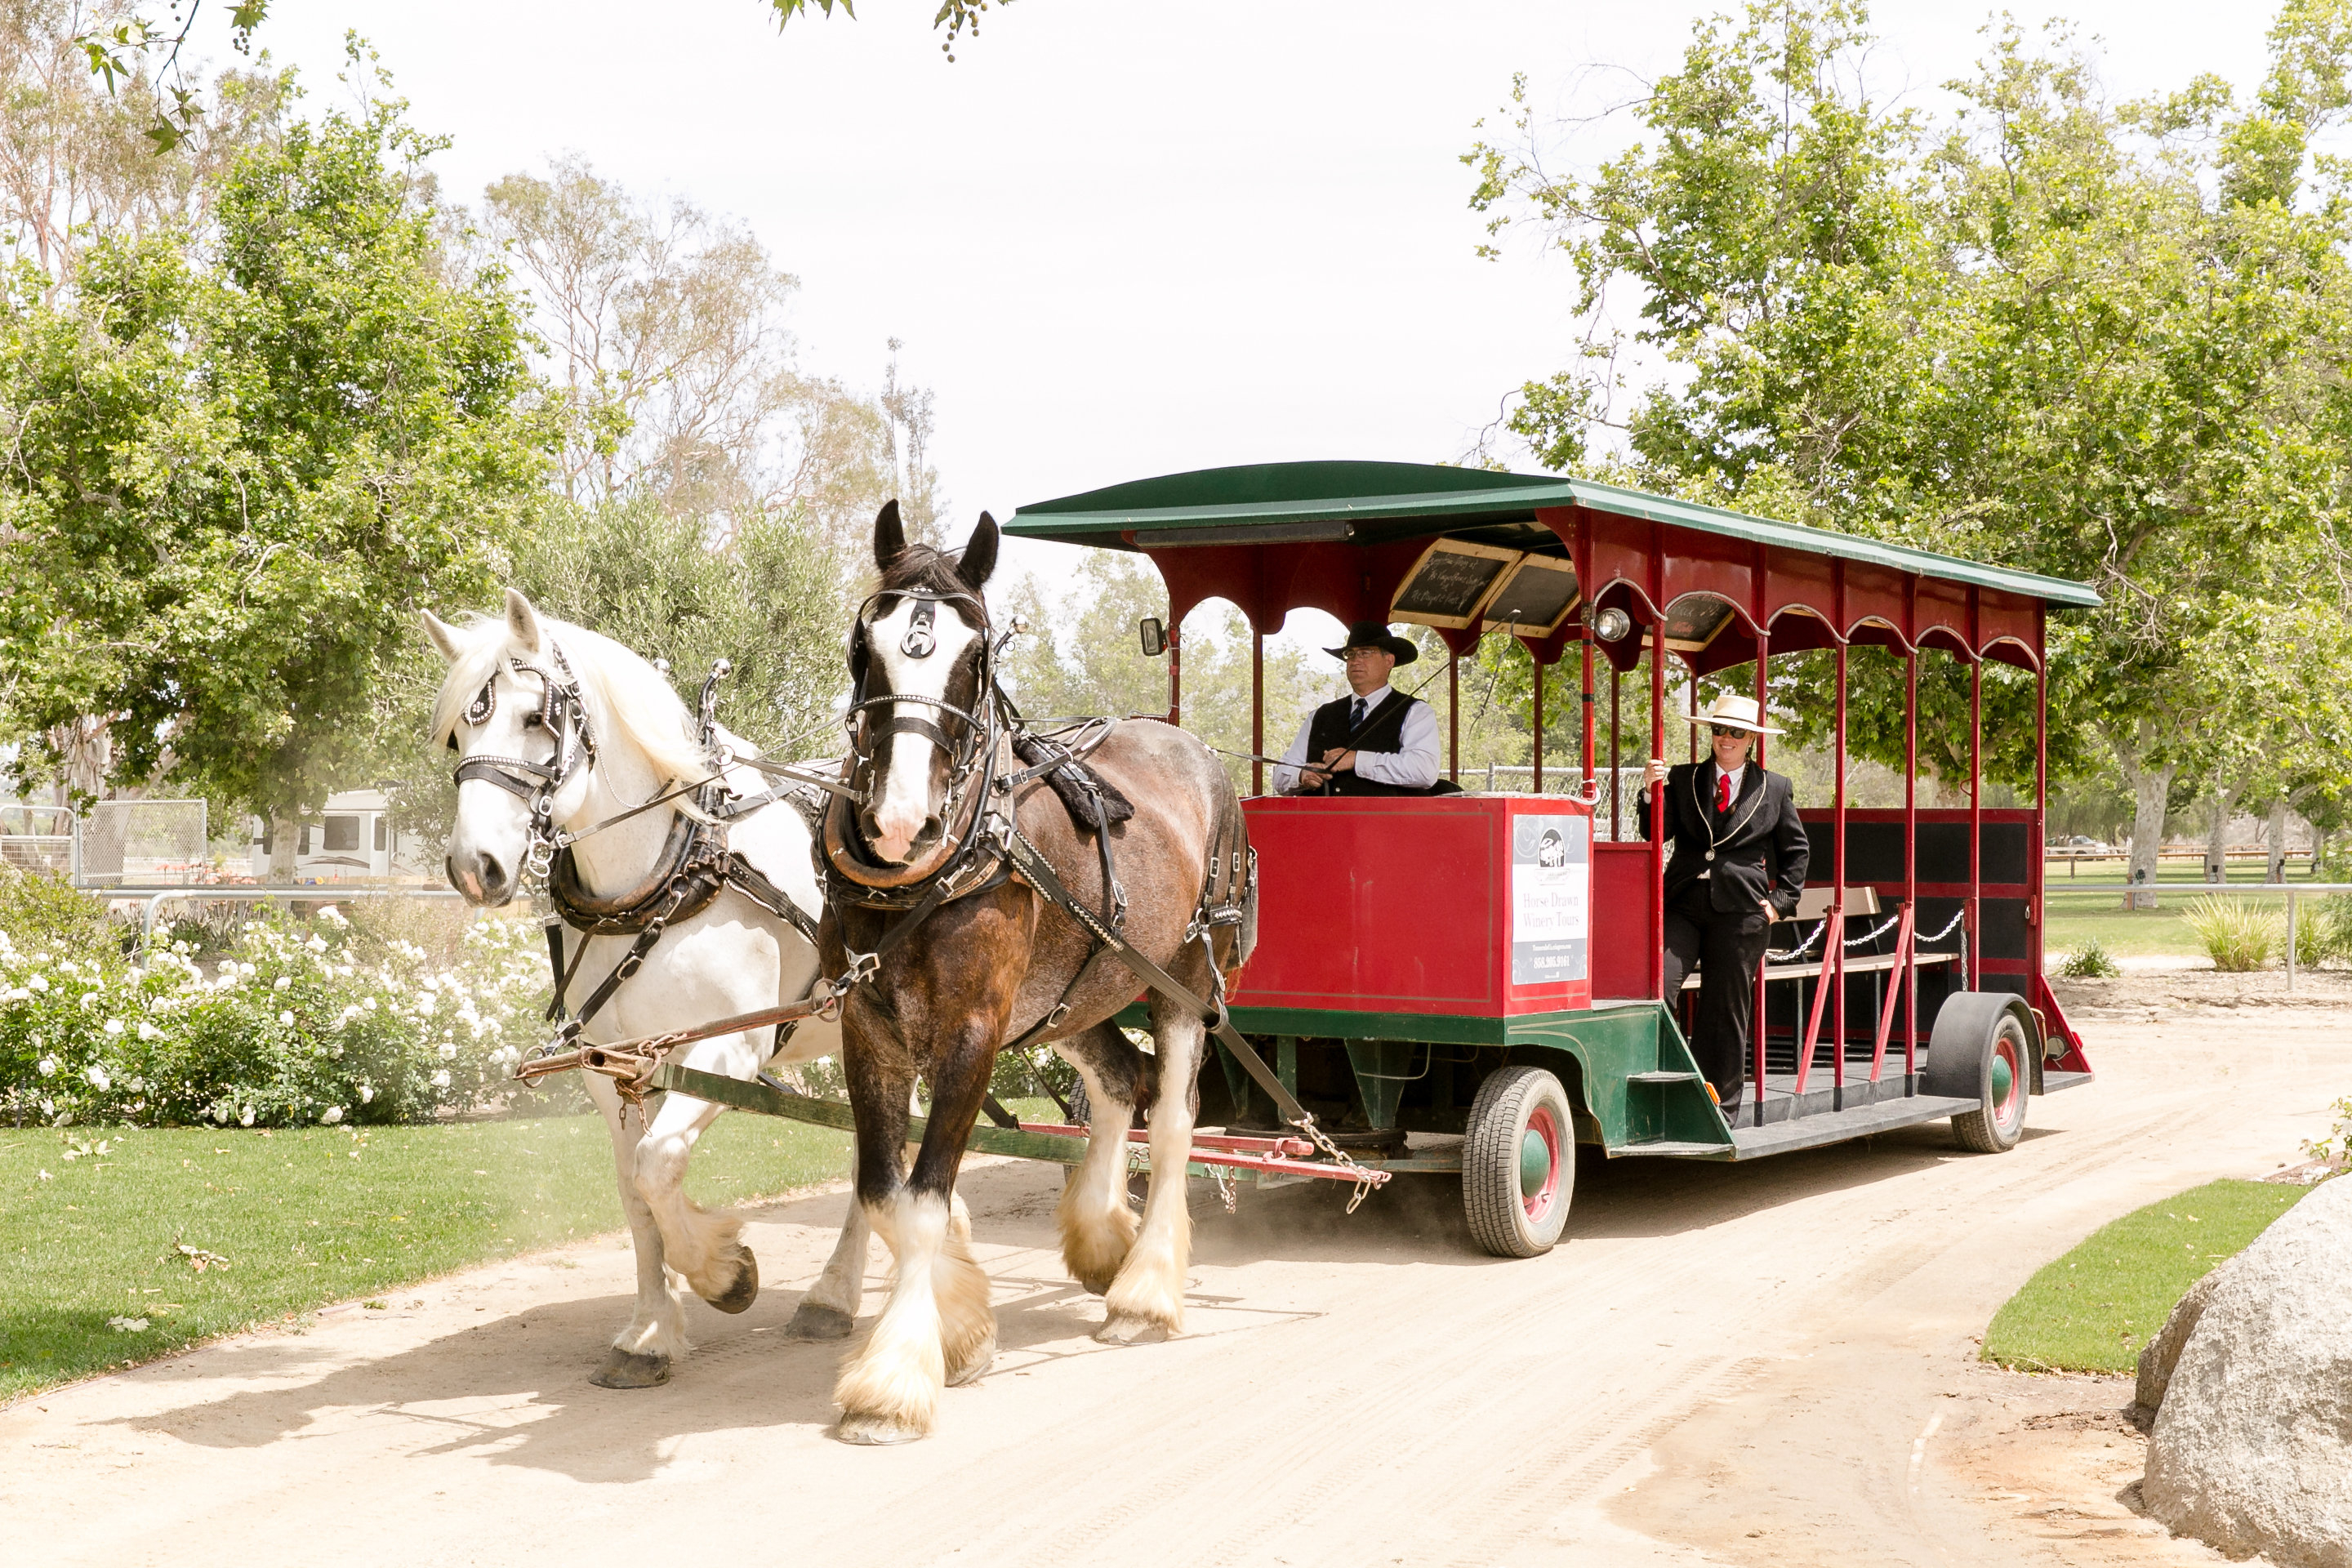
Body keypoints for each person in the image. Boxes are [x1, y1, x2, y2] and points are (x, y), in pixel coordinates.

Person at [1636, 692, 1809, 1120]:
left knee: (1725, 1009)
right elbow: (1655, 833)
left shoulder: (1775, 787)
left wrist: (1779, 904)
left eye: (1735, 732)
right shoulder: (1684, 778)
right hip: (1683, 902)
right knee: (1658, 987)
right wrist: (1650, 793)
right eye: (1718, 730)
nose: (1725, 738)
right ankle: (1661, 1090)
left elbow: (1796, 852)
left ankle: (1719, 1110)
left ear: (1751, 739)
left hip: (1741, 912)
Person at [1271, 621, 1444, 795]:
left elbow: (1424, 771)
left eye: (1365, 653)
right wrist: (1301, 774)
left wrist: (1357, 760)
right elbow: (1280, 775)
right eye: (1350, 654)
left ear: (1389, 661)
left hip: (1386, 815)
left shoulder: (1415, 712)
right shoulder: (1320, 715)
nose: (1355, 661)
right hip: (1323, 814)